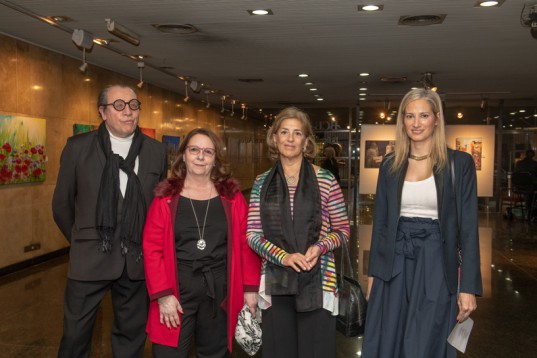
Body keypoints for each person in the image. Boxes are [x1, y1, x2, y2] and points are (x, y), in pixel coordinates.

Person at [362, 88, 482, 358]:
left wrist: (469, 288)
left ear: (437, 119)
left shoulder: (458, 163)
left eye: (423, 115)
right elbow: (381, 223)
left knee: (425, 338)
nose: (416, 123)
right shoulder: (390, 164)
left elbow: (468, 228)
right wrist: (373, 274)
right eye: (409, 116)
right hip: (394, 262)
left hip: (436, 261)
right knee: (388, 335)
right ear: (402, 121)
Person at [52, 84, 168, 357]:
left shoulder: (155, 151)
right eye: (119, 105)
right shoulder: (78, 148)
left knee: (131, 336)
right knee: (75, 336)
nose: (128, 112)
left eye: (133, 105)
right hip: (89, 259)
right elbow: (61, 205)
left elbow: (160, 209)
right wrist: (85, 238)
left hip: (136, 261)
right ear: (103, 113)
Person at [143, 128, 261, 357]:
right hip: (176, 288)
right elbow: (151, 248)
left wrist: (250, 289)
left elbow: (245, 245)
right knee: (169, 353)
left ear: (215, 158)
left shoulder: (232, 197)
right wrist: (163, 295)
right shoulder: (165, 198)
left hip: (219, 289)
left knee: (215, 353)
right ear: (183, 155)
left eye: (208, 151)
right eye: (194, 149)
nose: (200, 156)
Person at [246, 107, 350, 358]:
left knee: (316, 351)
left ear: (306, 141)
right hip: (275, 280)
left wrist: (319, 247)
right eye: (284, 132)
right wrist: (284, 257)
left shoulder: (326, 179)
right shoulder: (262, 182)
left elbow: (343, 230)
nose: (290, 139)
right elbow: (253, 234)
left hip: (318, 281)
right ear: (274, 138)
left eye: (297, 133)